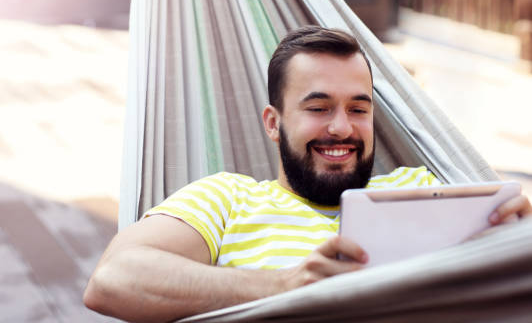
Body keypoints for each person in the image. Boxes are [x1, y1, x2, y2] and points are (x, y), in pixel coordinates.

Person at [83, 26, 532, 323]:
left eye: (359, 108)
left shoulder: (422, 189)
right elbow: (114, 280)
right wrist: (286, 284)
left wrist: (518, 234)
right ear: (273, 122)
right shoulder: (226, 199)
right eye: (318, 108)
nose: (342, 127)